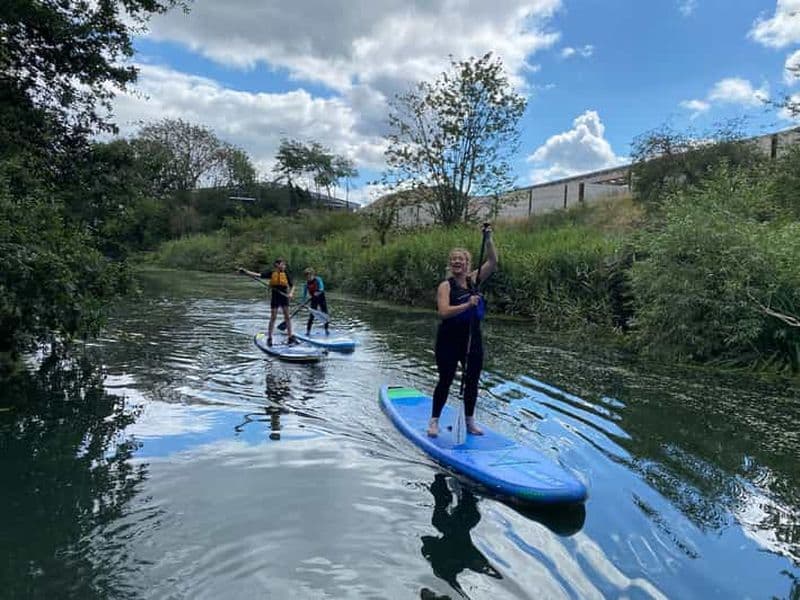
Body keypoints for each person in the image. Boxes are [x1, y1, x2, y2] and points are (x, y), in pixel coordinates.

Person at [428, 225, 497, 438]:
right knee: (445, 379)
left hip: (472, 339)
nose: (457, 262)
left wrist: (488, 239)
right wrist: (468, 304)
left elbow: (493, 262)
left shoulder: (474, 280)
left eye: (461, 259)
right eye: (454, 259)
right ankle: (434, 421)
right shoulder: (445, 286)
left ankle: (469, 422)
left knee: (472, 381)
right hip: (448, 340)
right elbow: (444, 312)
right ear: (451, 264)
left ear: (467, 264)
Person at [238, 258, 296, 346]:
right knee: (273, 317)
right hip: (275, 297)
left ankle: (290, 336)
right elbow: (258, 275)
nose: (284, 266)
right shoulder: (272, 273)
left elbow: (293, 286)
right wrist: (246, 272)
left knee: (287, 317)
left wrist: (291, 294)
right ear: (277, 265)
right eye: (282, 264)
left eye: (284, 265)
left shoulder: (286, 274)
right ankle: (269, 337)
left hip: (284, 297)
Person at [302, 267, 329, 336]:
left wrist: (318, 292)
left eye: (310, 275)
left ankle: (326, 330)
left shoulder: (318, 279)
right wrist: (302, 302)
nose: (308, 277)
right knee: (311, 316)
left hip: (321, 298)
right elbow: (304, 294)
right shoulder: (306, 284)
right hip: (314, 299)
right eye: (307, 276)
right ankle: (308, 331)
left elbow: (322, 288)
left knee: (325, 314)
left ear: (313, 274)